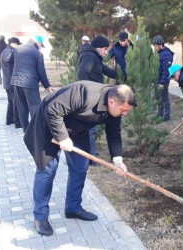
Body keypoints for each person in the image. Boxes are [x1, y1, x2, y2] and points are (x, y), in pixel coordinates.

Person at [23, 82, 135, 236]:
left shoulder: (115, 110)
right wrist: (62, 137)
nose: (125, 114)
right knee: (47, 170)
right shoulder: (85, 93)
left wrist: (118, 160)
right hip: (49, 125)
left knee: (80, 167)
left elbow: (114, 133)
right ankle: (40, 217)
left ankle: (73, 207)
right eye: (123, 110)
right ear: (111, 101)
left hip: (77, 130)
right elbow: (52, 109)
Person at [77, 35, 117, 164]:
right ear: (98, 47)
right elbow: (81, 75)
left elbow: (106, 70)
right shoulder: (89, 56)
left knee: (91, 128)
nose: (106, 52)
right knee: (91, 129)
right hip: (90, 96)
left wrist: (124, 74)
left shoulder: (95, 57)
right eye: (105, 49)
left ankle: (91, 154)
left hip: (94, 95)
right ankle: (91, 159)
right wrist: (91, 92)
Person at [10, 35, 52, 132]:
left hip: (16, 82)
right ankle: (36, 130)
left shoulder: (17, 49)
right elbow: (41, 71)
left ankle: (26, 130)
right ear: (38, 43)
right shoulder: (38, 53)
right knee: (35, 107)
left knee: (22, 108)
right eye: (41, 45)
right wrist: (47, 86)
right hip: (30, 83)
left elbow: (10, 62)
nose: (41, 47)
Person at [0, 37, 22, 128]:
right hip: (10, 81)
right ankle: (17, 122)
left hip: (7, 81)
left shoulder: (5, 51)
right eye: (17, 44)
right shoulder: (9, 53)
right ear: (13, 44)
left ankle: (9, 120)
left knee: (11, 102)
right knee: (15, 102)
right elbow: (10, 64)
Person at [152, 35, 174, 121]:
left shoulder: (166, 54)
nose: (154, 47)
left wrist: (162, 82)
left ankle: (166, 116)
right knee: (158, 98)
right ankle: (159, 114)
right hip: (157, 79)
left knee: (164, 98)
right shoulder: (158, 53)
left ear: (161, 44)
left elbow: (166, 70)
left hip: (163, 80)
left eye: (156, 45)